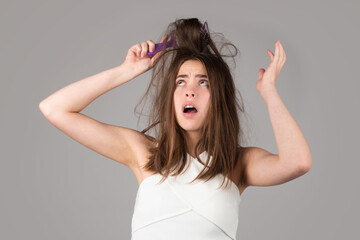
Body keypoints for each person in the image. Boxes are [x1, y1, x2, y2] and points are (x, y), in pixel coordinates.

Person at [39, 18, 312, 240]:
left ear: (219, 99)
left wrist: (269, 92)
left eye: (203, 83)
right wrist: (126, 71)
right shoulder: (142, 152)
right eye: (181, 82)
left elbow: (297, 162)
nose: (189, 92)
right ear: (171, 96)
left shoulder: (238, 163)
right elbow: (54, 108)